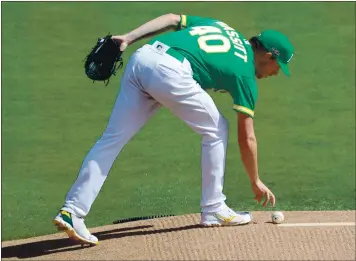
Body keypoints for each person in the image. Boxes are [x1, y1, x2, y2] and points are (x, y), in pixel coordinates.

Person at [53, 13, 294, 245]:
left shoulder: (222, 27)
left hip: (143, 58)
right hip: (170, 72)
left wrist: (128, 37)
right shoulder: (245, 75)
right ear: (268, 56)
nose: (275, 74)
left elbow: (172, 18)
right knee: (217, 129)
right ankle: (214, 208)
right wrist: (255, 180)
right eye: (278, 67)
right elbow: (247, 137)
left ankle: (73, 211)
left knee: (111, 140)